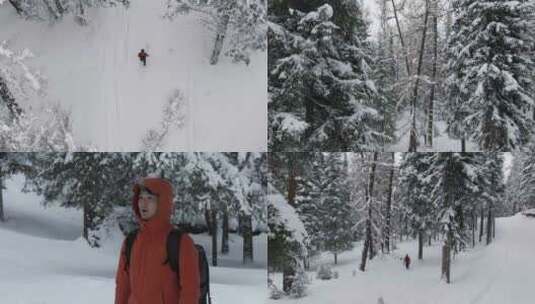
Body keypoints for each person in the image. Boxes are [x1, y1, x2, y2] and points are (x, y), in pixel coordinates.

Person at [115, 177, 200, 304]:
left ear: (163, 202)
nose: (143, 204)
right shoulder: (130, 241)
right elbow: (123, 286)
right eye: (141, 198)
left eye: (150, 199)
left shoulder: (180, 242)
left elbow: (190, 292)